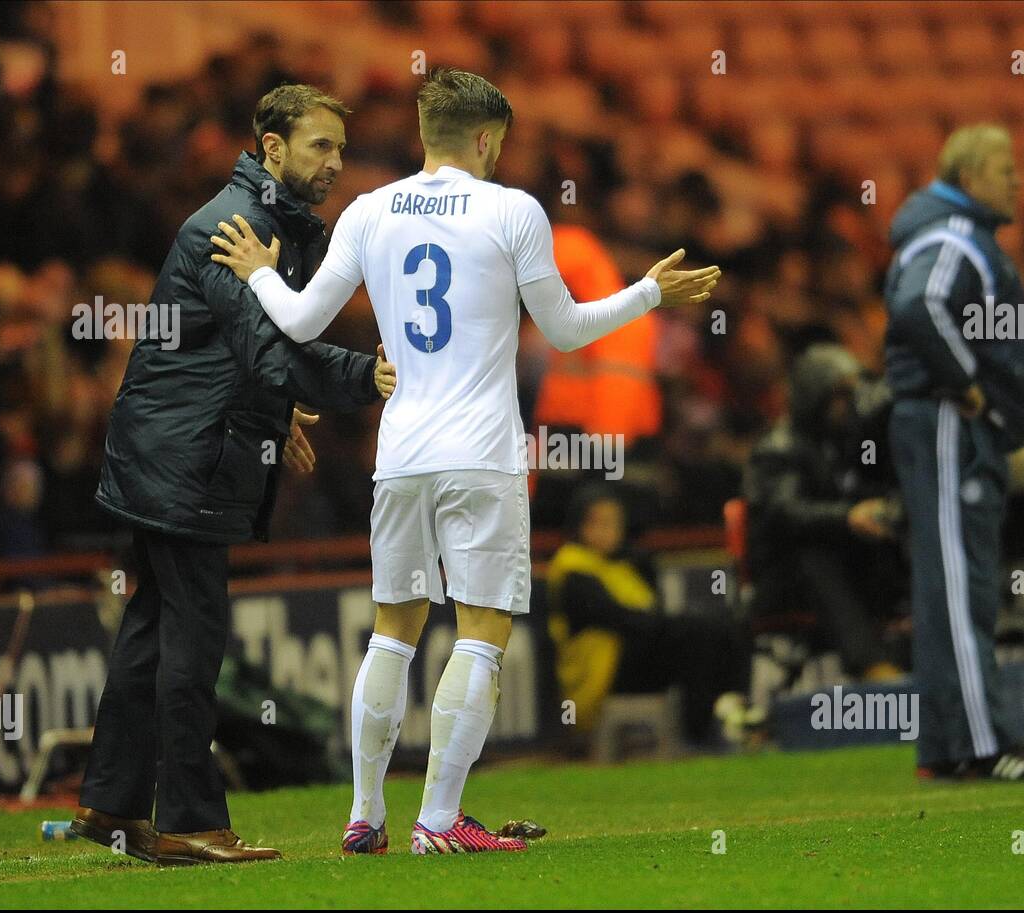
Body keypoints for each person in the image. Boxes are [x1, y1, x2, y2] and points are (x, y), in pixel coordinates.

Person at [209, 67, 720, 854]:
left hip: (402, 452)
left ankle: (364, 814)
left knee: (392, 635)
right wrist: (649, 292)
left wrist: (259, 274)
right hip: (481, 456)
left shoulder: (370, 210)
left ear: (427, 132)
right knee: (480, 633)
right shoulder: (512, 211)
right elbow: (570, 328)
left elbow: (305, 323)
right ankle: (440, 821)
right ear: (487, 139)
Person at [73, 85, 395, 866]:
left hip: (184, 444)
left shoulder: (272, 225)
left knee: (152, 627)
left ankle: (112, 806)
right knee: (194, 634)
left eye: (340, 149)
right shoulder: (232, 228)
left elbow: (229, 351)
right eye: (321, 146)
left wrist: (272, 418)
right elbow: (269, 349)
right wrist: (369, 378)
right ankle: (188, 818)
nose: (335, 164)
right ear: (272, 148)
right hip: (184, 457)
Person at [883, 124, 1024, 780]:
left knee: (949, 589)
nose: (1016, 180)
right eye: (1002, 168)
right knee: (962, 589)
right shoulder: (954, 238)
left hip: (949, 427)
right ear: (967, 177)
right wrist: (970, 388)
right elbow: (918, 307)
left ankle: (946, 748)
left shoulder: (957, 237)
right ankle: (984, 747)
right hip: (947, 426)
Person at [744, 344, 907, 681]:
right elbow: (784, 514)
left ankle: (923, 640)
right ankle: (872, 665)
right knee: (814, 557)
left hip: (841, 567)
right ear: (812, 396)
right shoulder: (779, 448)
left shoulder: (841, 443)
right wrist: (847, 517)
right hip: (784, 576)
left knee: (896, 536)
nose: (848, 405)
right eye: (839, 396)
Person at [547, 485, 752, 742]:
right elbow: (623, 619)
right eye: (597, 523)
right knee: (691, 635)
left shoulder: (624, 564)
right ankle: (701, 734)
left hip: (632, 660)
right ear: (578, 525)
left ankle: (733, 716)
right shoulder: (572, 568)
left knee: (720, 631)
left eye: (613, 523)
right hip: (601, 674)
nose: (606, 531)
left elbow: (650, 612)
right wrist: (666, 624)